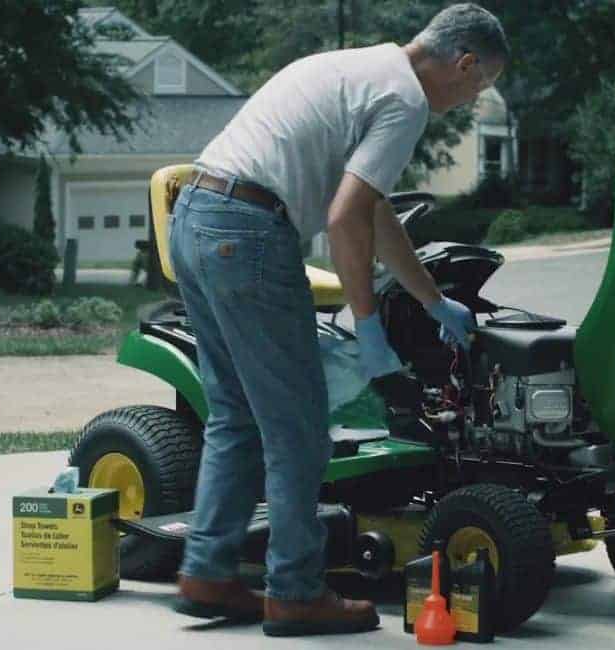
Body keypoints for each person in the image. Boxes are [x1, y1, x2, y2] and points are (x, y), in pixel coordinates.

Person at [166, 3, 508, 637]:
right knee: (297, 428)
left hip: (197, 215)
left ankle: (208, 570)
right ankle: (294, 592)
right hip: (247, 233)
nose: (469, 101)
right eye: (478, 86)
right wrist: (370, 328)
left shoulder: (361, 69)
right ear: (464, 63)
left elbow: (373, 215)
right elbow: (346, 218)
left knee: (237, 414)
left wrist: (433, 300)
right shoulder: (404, 99)